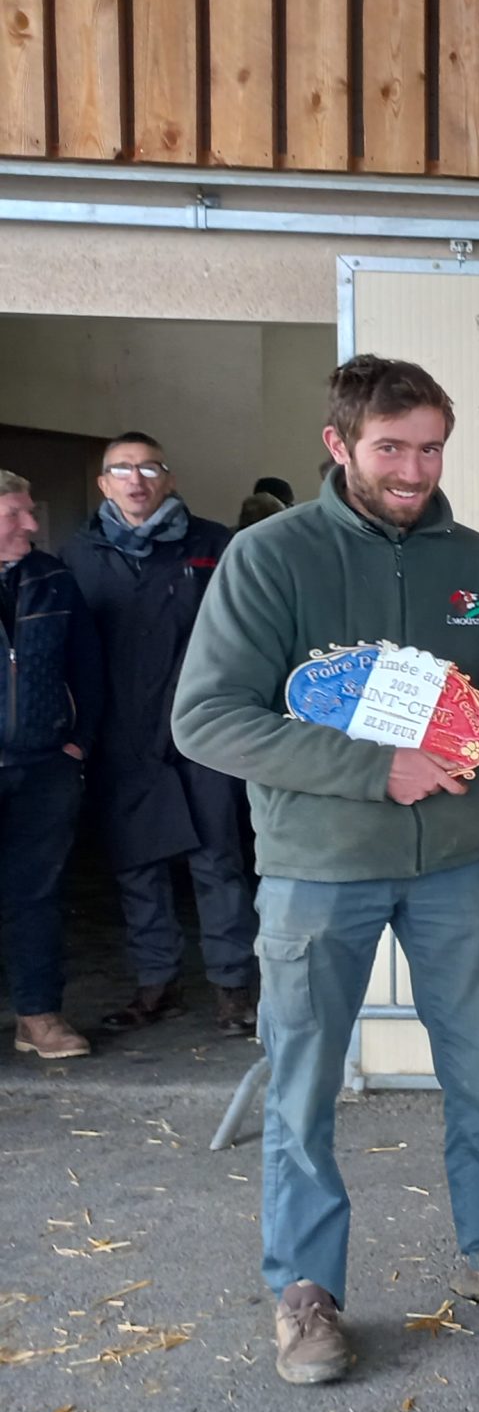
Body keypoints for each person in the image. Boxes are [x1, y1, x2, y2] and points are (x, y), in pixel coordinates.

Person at [172, 356, 479, 1382]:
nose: (414, 467)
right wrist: (369, 770)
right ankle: (304, 1292)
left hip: (458, 865)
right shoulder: (270, 558)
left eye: (430, 447)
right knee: (304, 1082)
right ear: (338, 444)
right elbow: (205, 718)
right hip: (320, 865)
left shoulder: (478, 559)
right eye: (392, 447)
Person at [62, 435, 260, 1041]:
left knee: (218, 861)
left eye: (148, 468)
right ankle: (157, 984)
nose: (135, 479)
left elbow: (244, 631)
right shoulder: (79, 553)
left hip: (202, 730)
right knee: (136, 864)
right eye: (121, 469)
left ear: (167, 478)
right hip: (121, 734)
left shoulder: (211, 544)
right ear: (104, 484)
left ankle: (233, 988)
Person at [0, 470, 103, 1062]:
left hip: (44, 765)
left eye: (30, 511)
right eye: (15, 514)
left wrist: (79, 741)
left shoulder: (52, 578)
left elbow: (88, 667)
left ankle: (37, 1016)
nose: (33, 524)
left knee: (34, 895)